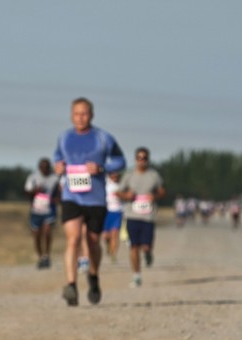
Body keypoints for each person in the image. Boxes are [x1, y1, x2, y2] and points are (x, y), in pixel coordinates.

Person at [54, 97, 126, 306]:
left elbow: (120, 161)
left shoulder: (103, 138)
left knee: (93, 242)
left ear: (91, 115)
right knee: (73, 239)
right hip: (71, 196)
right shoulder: (64, 138)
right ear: (71, 115)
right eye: (76, 114)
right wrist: (58, 166)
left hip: (95, 199)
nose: (80, 118)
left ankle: (93, 276)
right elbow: (57, 158)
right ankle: (71, 285)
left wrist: (102, 168)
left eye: (84, 113)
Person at [117, 147, 165, 287]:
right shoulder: (129, 175)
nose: (141, 161)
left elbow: (162, 191)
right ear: (135, 159)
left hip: (148, 217)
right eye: (139, 158)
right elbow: (118, 192)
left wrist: (155, 196)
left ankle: (148, 253)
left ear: (148, 160)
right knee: (133, 246)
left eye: (144, 158)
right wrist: (126, 196)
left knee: (145, 246)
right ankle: (136, 275)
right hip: (132, 215)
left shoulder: (154, 175)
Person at [24, 157, 59, 269]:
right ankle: (40, 257)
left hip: (49, 210)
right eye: (43, 168)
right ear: (39, 168)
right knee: (37, 235)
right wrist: (35, 191)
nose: (45, 169)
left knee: (47, 231)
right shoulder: (33, 177)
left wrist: (57, 199)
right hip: (36, 210)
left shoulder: (55, 178)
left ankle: (47, 255)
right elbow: (27, 191)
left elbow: (60, 191)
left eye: (47, 167)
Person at [102, 172, 123, 263]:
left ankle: (113, 254)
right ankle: (108, 246)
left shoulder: (122, 184)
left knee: (115, 234)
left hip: (117, 212)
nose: (115, 176)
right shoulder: (105, 183)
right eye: (113, 174)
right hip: (106, 212)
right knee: (106, 236)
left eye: (116, 174)